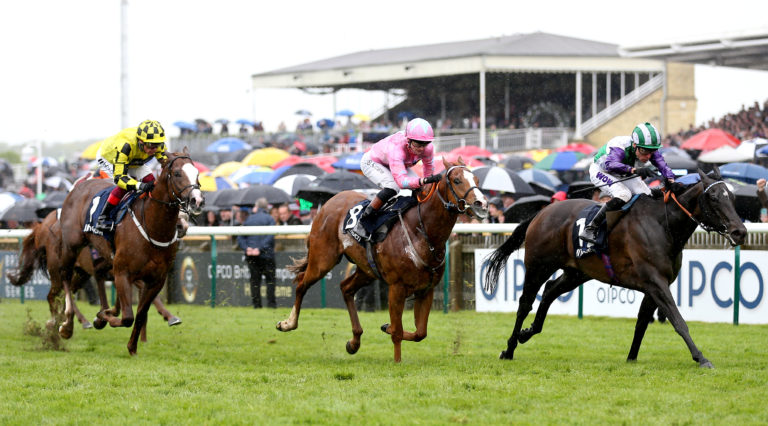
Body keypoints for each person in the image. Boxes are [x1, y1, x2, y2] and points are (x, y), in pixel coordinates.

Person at [579, 122, 676, 244]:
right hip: (601, 170)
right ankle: (591, 228)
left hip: (622, 171)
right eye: (644, 151)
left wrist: (671, 179)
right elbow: (611, 165)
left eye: (652, 151)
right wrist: (635, 170)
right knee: (624, 194)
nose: (648, 156)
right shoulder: (619, 145)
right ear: (634, 145)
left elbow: (662, 165)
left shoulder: (647, 148)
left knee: (646, 194)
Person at [353, 118, 441, 238]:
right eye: (418, 144)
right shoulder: (397, 148)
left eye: (425, 144)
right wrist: (423, 181)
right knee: (392, 187)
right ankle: (363, 221)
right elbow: (401, 182)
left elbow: (428, 170)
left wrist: (428, 185)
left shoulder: (428, 148)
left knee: (421, 189)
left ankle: (418, 219)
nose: (421, 148)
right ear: (408, 140)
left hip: (396, 164)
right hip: (373, 162)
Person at [95, 120, 168, 231]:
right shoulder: (125, 145)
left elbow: (167, 163)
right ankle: (103, 217)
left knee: (151, 182)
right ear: (140, 141)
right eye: (150, 145)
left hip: (134, 159)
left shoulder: (157, 144)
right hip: (109, 157)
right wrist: (139, 185)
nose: (153, 150)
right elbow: (120, 178)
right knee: (126, 185)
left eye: (157, 146)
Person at [237, 198, 276, 308]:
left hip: (252, 256)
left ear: (257, 207)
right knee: (270, 281)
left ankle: (257, 305)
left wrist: (247, 248)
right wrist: (259, 248)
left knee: (255, 282)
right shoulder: (270, 219)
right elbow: (270, 236)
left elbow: (240, 237)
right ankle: (271, 305)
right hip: (266, 255)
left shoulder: (248, 219)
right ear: (266, 207)